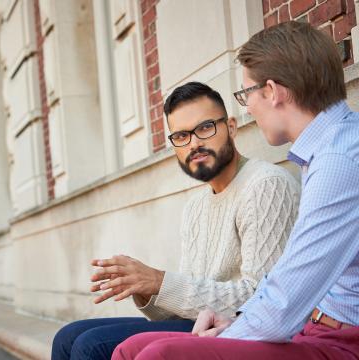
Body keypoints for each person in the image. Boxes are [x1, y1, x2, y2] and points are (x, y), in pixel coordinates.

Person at [112, 21, 359, 360]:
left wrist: (227, 334)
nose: (247, 108)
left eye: (246, 94)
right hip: (314, 326)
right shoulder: (324, 151)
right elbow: (285, 281)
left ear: (271, 91)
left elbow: (285, 302)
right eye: (181, 136)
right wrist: (234, 322)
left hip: (341, 339)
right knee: (131, 348)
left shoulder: (338, 162)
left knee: (160, 355)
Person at [51, 82, 301, 360]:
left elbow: (260, 299)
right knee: (67, 337)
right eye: (181, 136)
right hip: (198, 324)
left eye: (205, 128)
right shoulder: (196, 207)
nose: (194, 143)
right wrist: (145, 288)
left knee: (90, 346)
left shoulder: (265, 184)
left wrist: (160, 281)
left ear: (231, 127)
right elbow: (186, 305)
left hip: (237, 331)